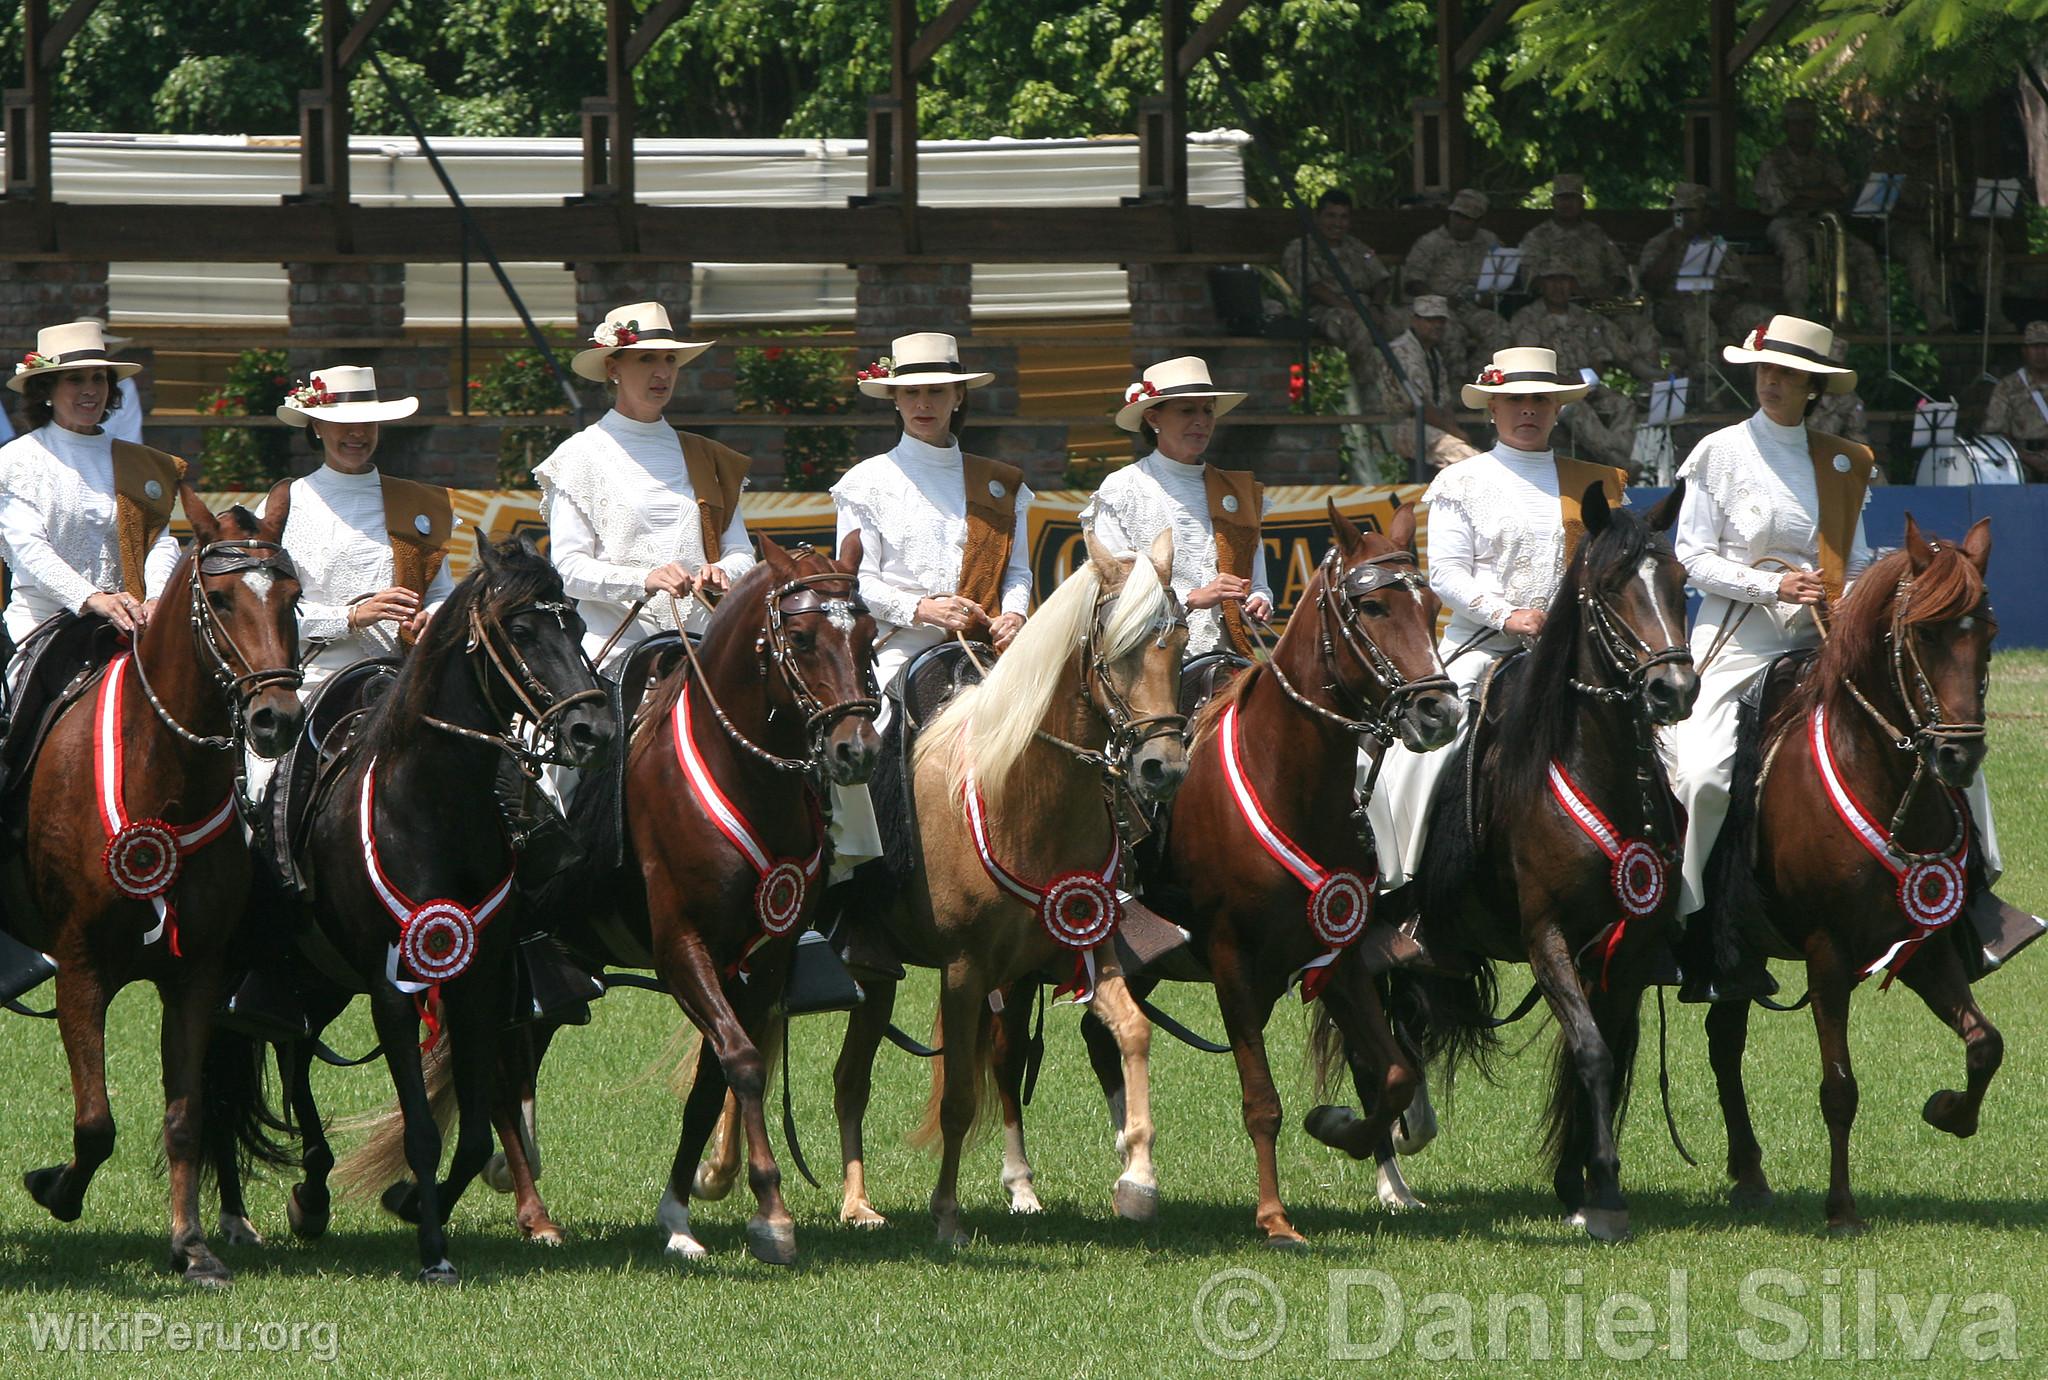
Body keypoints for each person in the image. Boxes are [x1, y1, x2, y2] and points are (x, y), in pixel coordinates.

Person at [1662, 315, 2011, 999]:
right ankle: (1691, 928)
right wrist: (1772, 583)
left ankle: (1978, 900)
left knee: (1942, 735)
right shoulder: (1717, 452)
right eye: (1764, 369)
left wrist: (1851, 597)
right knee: (1701, 777)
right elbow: (1690, 557)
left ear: (1812, 387)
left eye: (1786, 373)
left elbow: (1852, 565)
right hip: (1738, 641)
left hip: (1822, 641)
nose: (1770, 381)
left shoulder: (1844, 460)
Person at [1366, 347, 1622, 890]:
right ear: (1492, 410)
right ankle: (1399, 886)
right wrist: (1509, 615)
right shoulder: (1462, 481)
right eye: (1514, 400)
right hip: (1481, 646)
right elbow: (1448, 575)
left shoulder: (1596, 482)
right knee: (1421, 758)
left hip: (1573, 653)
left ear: (1556, 410)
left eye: (1539, 399)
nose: (1527, 409)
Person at [829, 331, 1031, 868]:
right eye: (912, 392)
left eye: (937, 392)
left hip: (987, 646)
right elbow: (856, 582)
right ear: (894, 398)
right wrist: (920, 609)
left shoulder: (1000, 485)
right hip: (899, 647)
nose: (924, 404)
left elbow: (1018, 571)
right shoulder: (864, 482)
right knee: (869, 739)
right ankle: (861, 874)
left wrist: (1014, 613)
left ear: (958, 398)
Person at [535, 301, 755, 676]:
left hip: (704, 652)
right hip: (613, 656)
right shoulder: (577, 457)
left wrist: (721, 571)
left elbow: (742, 553)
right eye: (645, 359)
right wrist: (643, 580)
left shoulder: (709, 456)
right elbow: (568, 569)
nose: (662, 372)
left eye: (670, 360)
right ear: (612, 367)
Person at [261, 365, 454, 689]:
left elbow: (441, 591)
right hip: (309, 684)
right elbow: (262, 613)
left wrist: (432, 616)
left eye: (367, 422)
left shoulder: (416, 501)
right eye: (344, 423)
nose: (358, 433)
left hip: (405, 683)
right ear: (318, 427)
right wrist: (352, 617)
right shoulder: (284, 505)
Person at [0, 319, 178, 668]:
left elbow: (160, 540)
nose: (91, 389)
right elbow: (30, 550)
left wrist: (157, 598)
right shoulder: (15, 460)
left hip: (134, 624)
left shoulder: (139, 460)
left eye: (99, 378)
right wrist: (92, 598)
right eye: (76, 379)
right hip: (47, 627)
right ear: (46, 389)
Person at [1081, 356, 1271, 657]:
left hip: (1226, 659)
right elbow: (1113, 590)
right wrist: (1192, 598)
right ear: (1153, 418)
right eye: (1187, 410)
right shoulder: (1121, 488)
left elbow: (1258, 581)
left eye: (1208, 411)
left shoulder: (1239, 491)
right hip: (1143, 661)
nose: (1202, 421)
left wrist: (1259, 598)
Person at [1508, 258, 1656, 475]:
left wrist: (1588, 382)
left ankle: (1618, 459)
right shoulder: (1527, 319)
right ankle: (1619, 466)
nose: (1559, 287)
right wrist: (1572, 386)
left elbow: (1599, 357)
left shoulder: (1585, 318)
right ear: (1541, 285)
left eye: (1565, 280)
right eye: (1552, 280)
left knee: (1622, 404)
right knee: (1577, 410)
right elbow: (1533, 367)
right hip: (1549, 393)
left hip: (1587, 387)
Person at [1754, 97, 1884, 320]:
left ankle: (1878, 314)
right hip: (1786, 222)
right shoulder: (1773, 160)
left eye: (1808, 123)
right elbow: (1785, 201)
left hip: (1823, 222)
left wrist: (1802, 192)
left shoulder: (1825, 158)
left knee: (1864, 252)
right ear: (1787, 126)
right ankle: (1798, 312)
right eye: (1797, 123)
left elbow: (1841, 192)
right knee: (1795, 249)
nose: (1803, 129)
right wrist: (1820, 193)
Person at [1639, 183, 1760, 374]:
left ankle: (1761, 383)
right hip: (1675, 310)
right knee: (1698, 322)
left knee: (1762, 320)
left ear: (1705, 214)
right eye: (1680, 212)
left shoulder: (1718, 245)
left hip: (1719, 307)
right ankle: (1708, 390)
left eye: (1690, 211)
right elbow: (1648, 284)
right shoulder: (1660, 244)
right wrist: (1671, 249)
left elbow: (1740, 283)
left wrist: (1729, 302)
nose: (1685, 217)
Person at [1281, 189, 1398, 386]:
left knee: (1421, 323)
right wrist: (1358, 311)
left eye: (1343, 217)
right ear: (1317, 217)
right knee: (1358, 327)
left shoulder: (1357, 247)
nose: (1337, 223)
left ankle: (1428, 393)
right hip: (1328, 312)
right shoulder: (1300, 249)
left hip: (1367, 308)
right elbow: (1315, 288)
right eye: (1331, 216)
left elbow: (1381, 279)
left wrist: (1376, 307)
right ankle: (1371, 396)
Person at [1401, 188, 1512, 378]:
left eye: (1467, 218)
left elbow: (1499, 279)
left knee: (1500, 332)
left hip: (1472, 308)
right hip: (1438, 309)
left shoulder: (1489, 241)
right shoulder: (1431, 242)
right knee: (1450, 334)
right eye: (1456, 215)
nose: (1459, 222)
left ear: (1479, 221)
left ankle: (1478, 382)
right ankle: (1453, 388)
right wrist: (1438, 302)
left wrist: (1489, 294)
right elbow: (1412, 281)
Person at [1371, 295, 1480, 470]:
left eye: (1440, 320)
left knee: (1477, 456)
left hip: (1429, 426)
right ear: (1414, 320)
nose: (1436, 325)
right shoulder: (1401, 351)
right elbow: (1418, 405)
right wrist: (1455, 432)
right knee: (1467, 459)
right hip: (1403, 426)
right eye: (1429, 320)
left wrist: (1454, 430)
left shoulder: (1433, 354)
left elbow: (1444, 402)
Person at [1517, 173, 1629, 298]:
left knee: (1633, 318)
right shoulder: (1536, 236)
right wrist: (1566, 289)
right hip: (1554, 306)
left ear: (1582, 203)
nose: (1567, 204)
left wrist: (1608, 291)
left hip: (1598, 304)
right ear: (1553, 202)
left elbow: (1618, 268)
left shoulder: (1596, 233)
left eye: (1572, 199)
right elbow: (1530, 278)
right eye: (1562, 199)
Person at [1981, 320, 2048, 481]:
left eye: (2046, 346)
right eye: (2035, 346)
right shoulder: (2008, 387)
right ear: (2024, 351)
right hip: (2022, 462)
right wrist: (2028, 458)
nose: (2041, 352)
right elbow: (1994, 434)